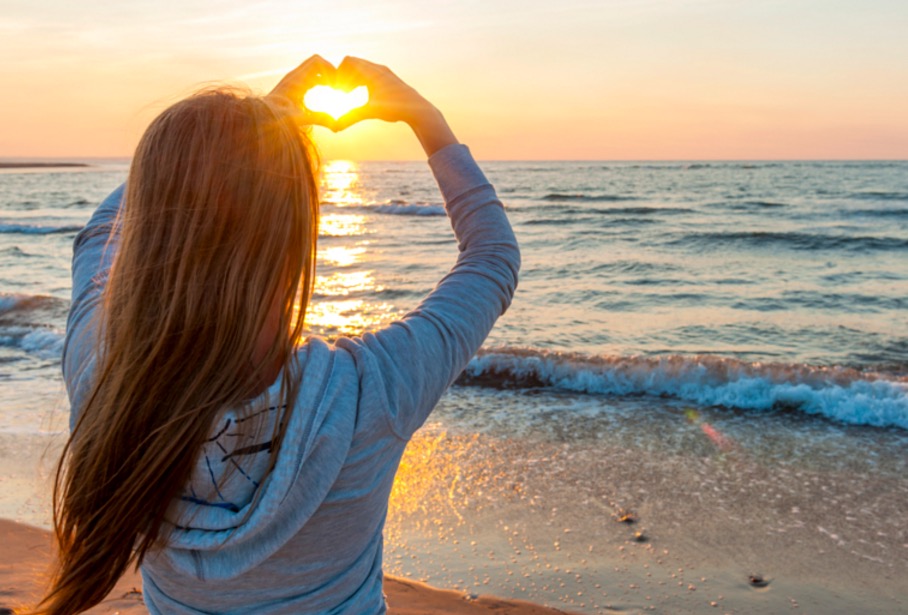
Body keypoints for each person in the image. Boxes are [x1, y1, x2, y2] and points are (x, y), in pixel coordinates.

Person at [38, 55, 519, 614]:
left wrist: (244, 127)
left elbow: (100, 235)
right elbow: (491, 258)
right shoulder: (368, 391)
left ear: (148, 223)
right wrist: (427, 122)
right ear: (295, 234)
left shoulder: (104, 376)